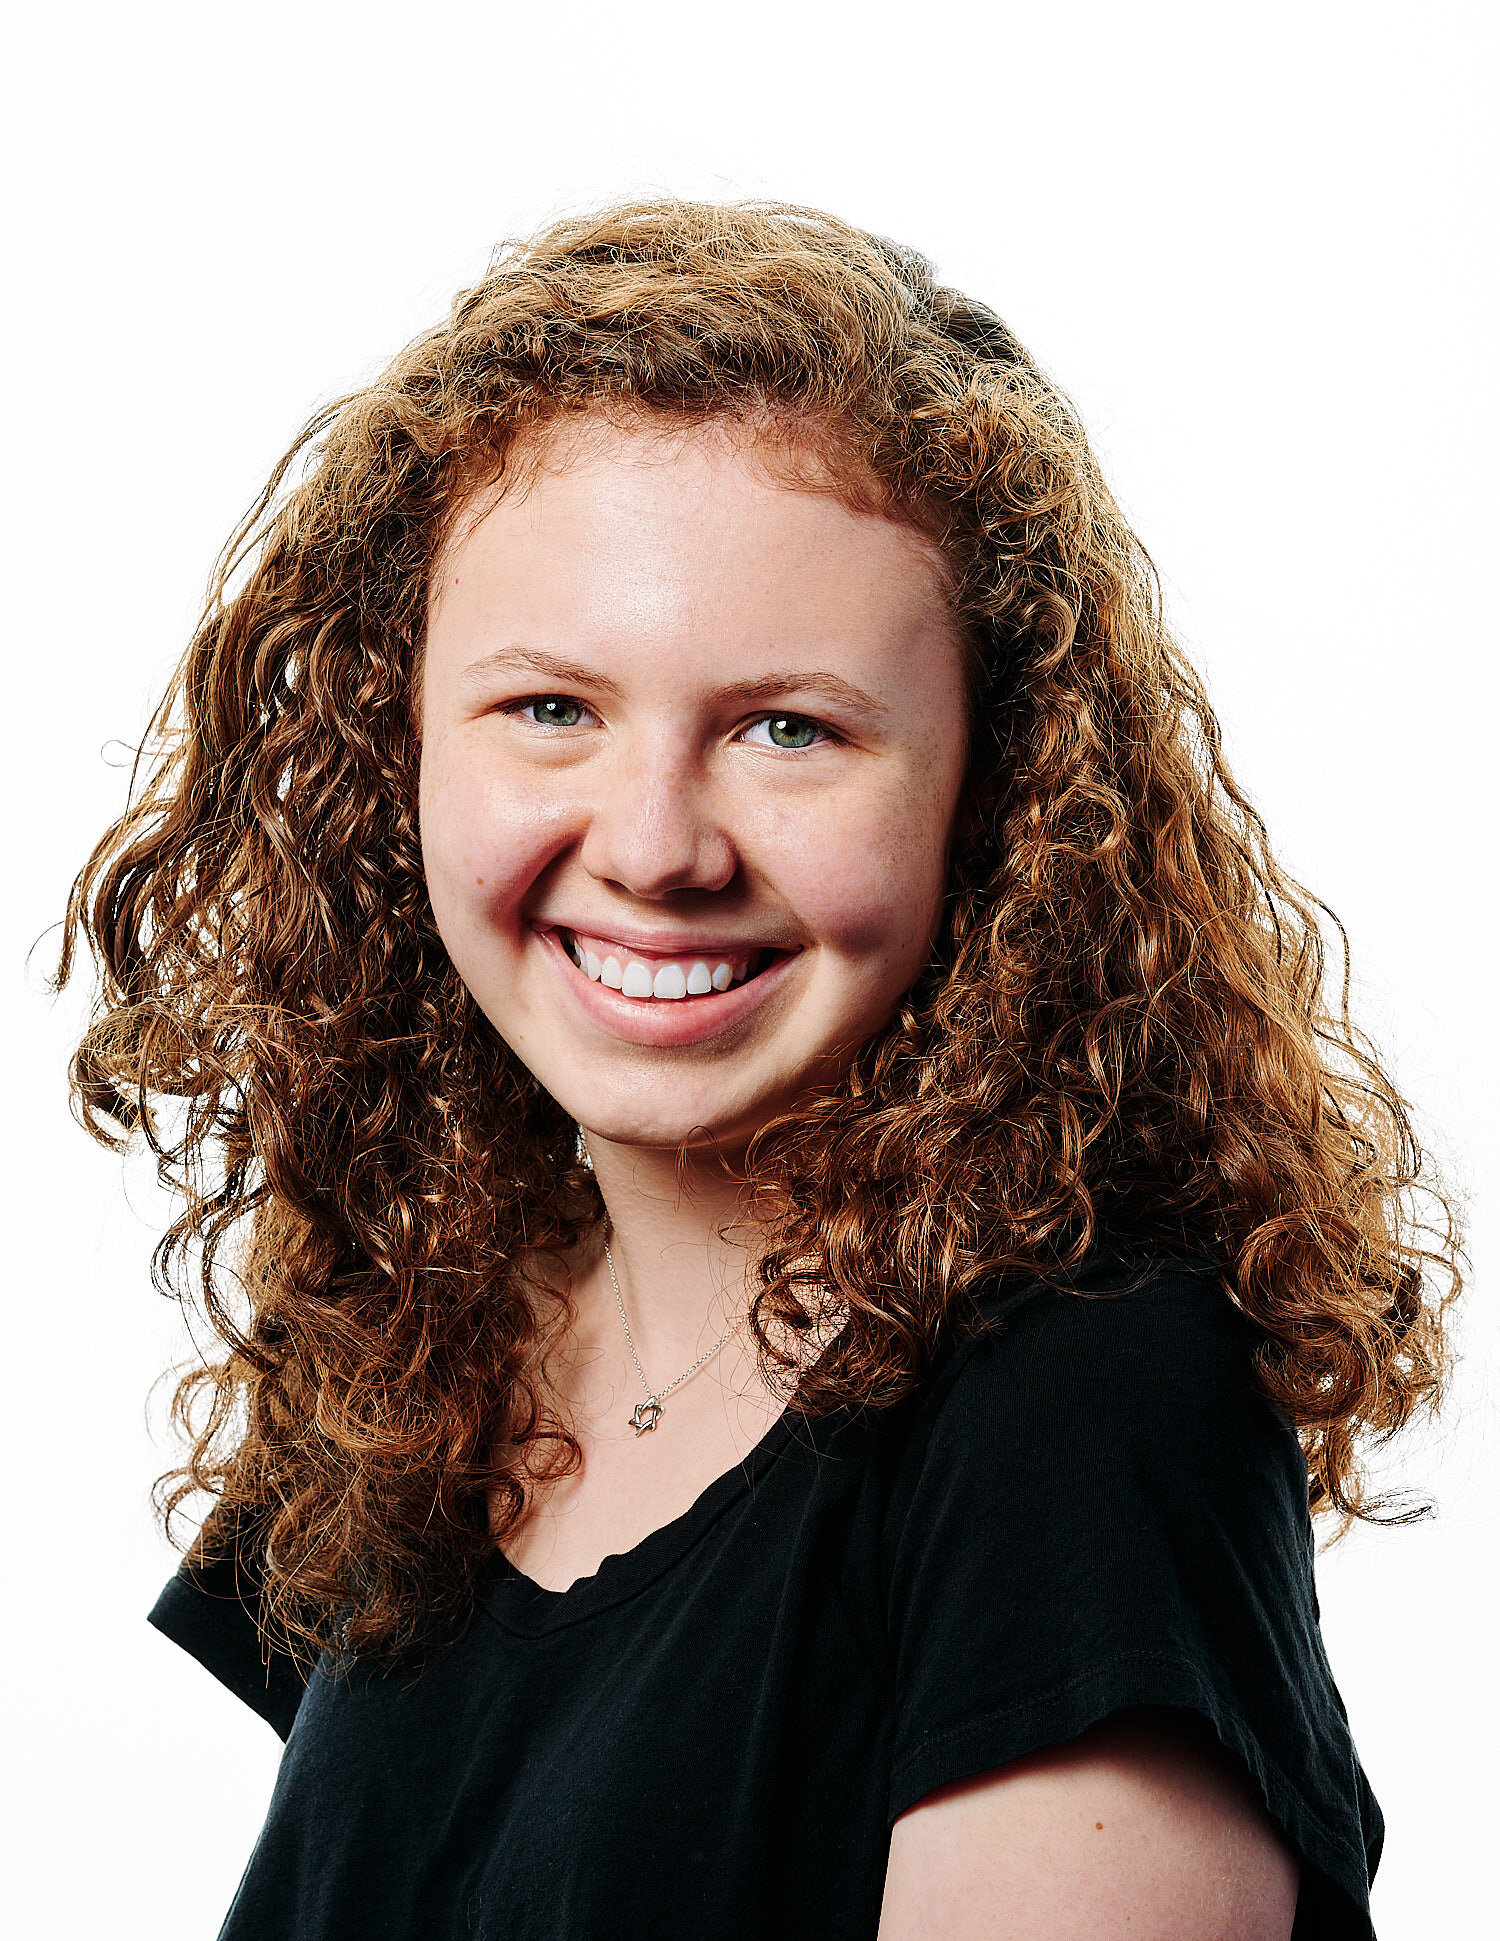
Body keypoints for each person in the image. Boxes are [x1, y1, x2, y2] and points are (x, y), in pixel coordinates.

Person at [57, 198, 1462, 1940]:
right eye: (549, 708)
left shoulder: (1087, 1410)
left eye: (790, 728)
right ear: (394, 742)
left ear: (991, 798)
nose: (653, 846)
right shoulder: (421, 1363)